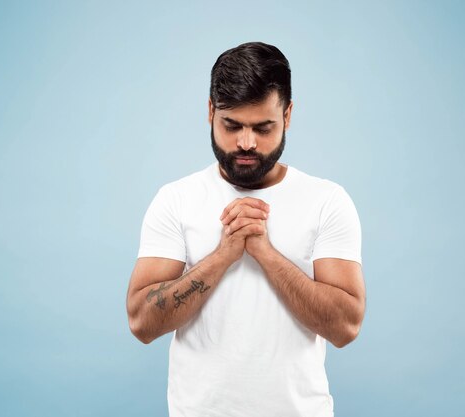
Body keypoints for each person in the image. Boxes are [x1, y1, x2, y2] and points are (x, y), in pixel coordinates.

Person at [126, 41, 366, 417]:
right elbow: (141, 322)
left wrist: (266, 255)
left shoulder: (326, 201)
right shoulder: (176, 199)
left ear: (287, 116)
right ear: (210, 112)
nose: (246, 142)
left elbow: (345, 327)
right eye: (232, 125)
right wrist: (223, 256)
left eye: (263, 127)